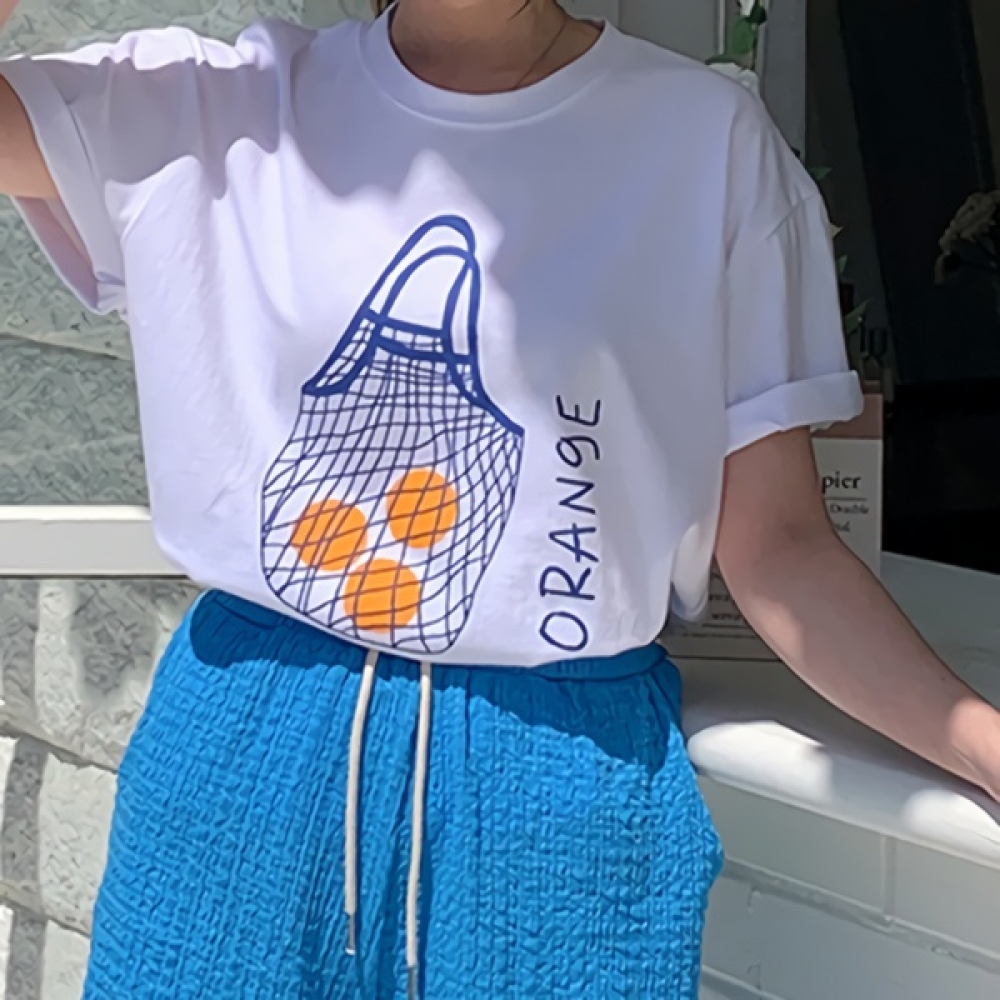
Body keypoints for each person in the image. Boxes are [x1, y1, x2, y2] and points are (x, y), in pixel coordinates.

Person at [0, 1, 996, 997]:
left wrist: (980, 743)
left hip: (556, 784)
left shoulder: (706, 146)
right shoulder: (214, 105)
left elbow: (780, 548)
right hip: (242, 757)